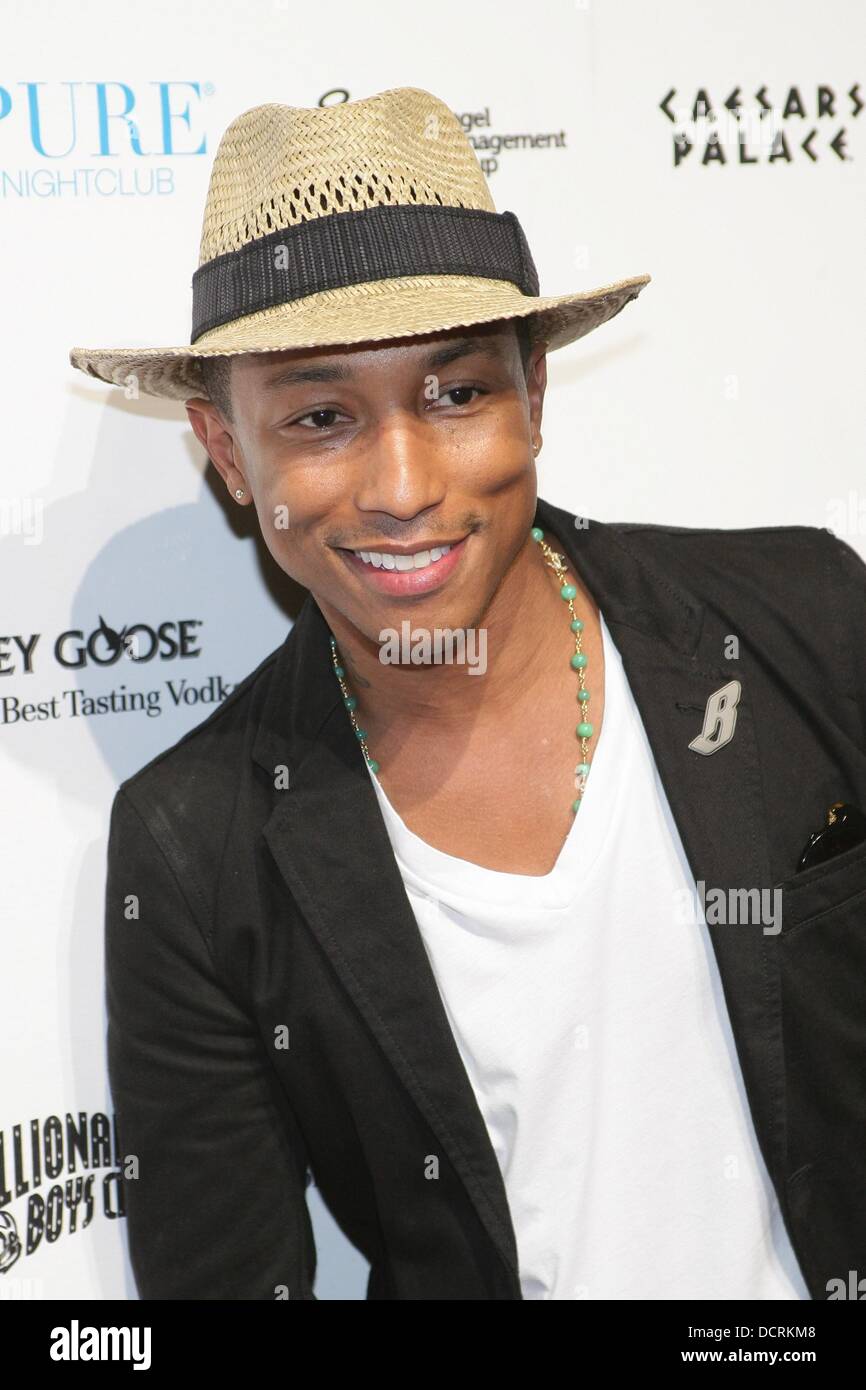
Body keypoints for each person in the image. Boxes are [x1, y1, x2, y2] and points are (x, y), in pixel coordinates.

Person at [70, 87, 866, 1301]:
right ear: (228, 453)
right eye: (323, 415)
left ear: (532, 394)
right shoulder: (195, 846)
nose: (402, 483)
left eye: (455, 393)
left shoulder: (801, 614)